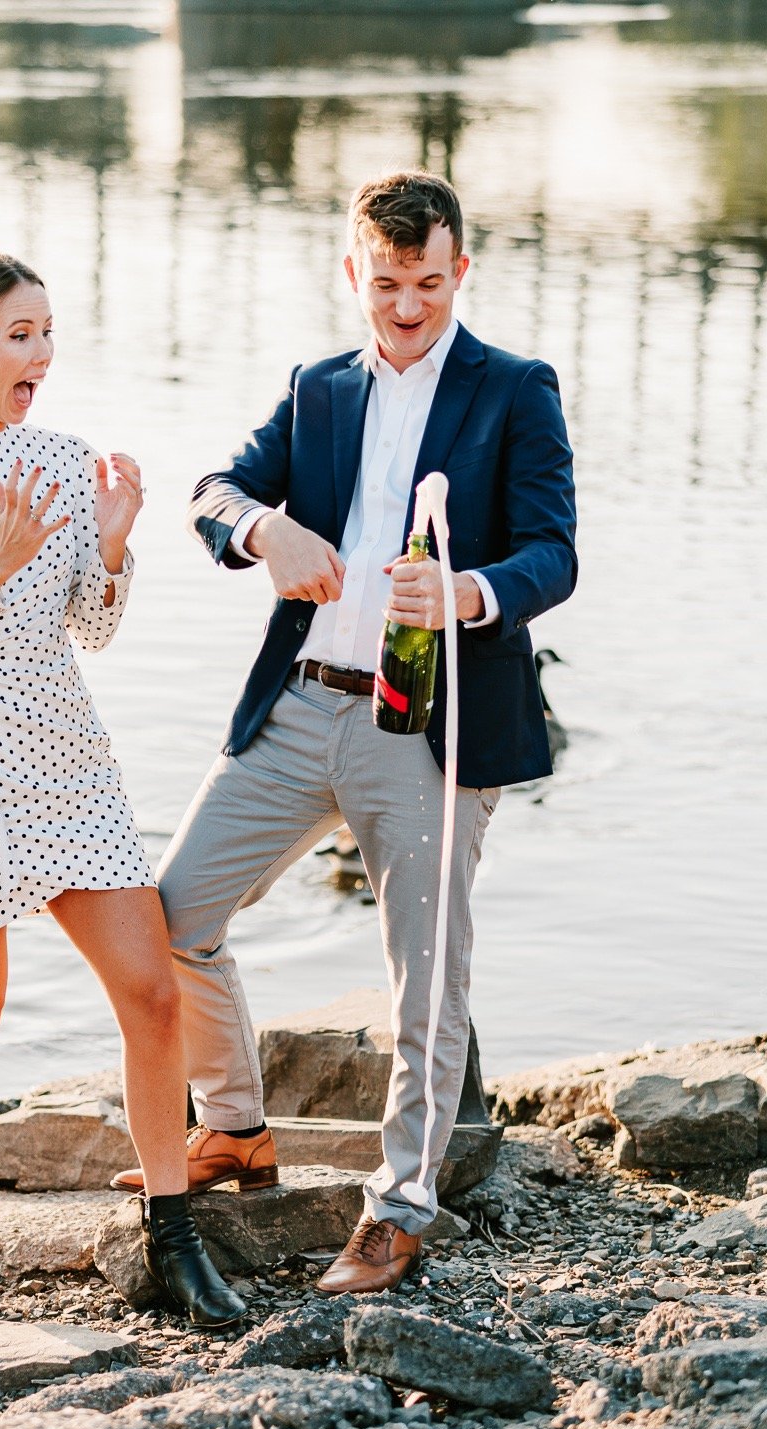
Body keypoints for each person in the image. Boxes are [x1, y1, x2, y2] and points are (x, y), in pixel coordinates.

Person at [119, 172, 577, 1295]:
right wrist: (262, 530)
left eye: (428, 282)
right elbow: (211, 490)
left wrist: (469, 591)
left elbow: (554, 552)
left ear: (460, 271)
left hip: (428, 721)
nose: (407, 306)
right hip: (299, 701)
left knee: (423, 976)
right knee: (173, 917)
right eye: (386, 283)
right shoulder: (317, 388)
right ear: (352, 273)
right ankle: (234, 1126)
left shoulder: (516, 389)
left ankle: (401, 1202)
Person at [0, 250, 246, 1329]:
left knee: (151, 988)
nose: (43, 356)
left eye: (49, 333)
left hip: (63, 745)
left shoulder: (63, 459)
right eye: (21, 335)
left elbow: (91, 628)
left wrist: (109, 546)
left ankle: (172, 1238)